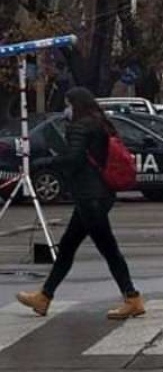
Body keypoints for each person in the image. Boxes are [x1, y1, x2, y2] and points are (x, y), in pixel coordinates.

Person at [17, 87, 144, 320]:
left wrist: (46, 161)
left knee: (108, 250)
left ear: (75, 105)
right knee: (68, 247)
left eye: (68, 104)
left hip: (89, 197)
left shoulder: (79, 126)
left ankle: (132, 297)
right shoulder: (100, 123)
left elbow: (74, 159)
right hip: (99, 195)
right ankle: (44, 297)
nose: (66, 109)